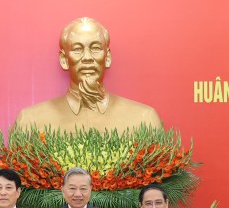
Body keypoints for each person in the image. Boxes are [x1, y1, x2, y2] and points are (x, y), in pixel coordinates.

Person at [14, 17, 162, 132]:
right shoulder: (30, 122)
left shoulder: (145, 120)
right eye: (77, 49)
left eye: (95, 48)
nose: (87, 57)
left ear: (107, 57)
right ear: (64, 60)